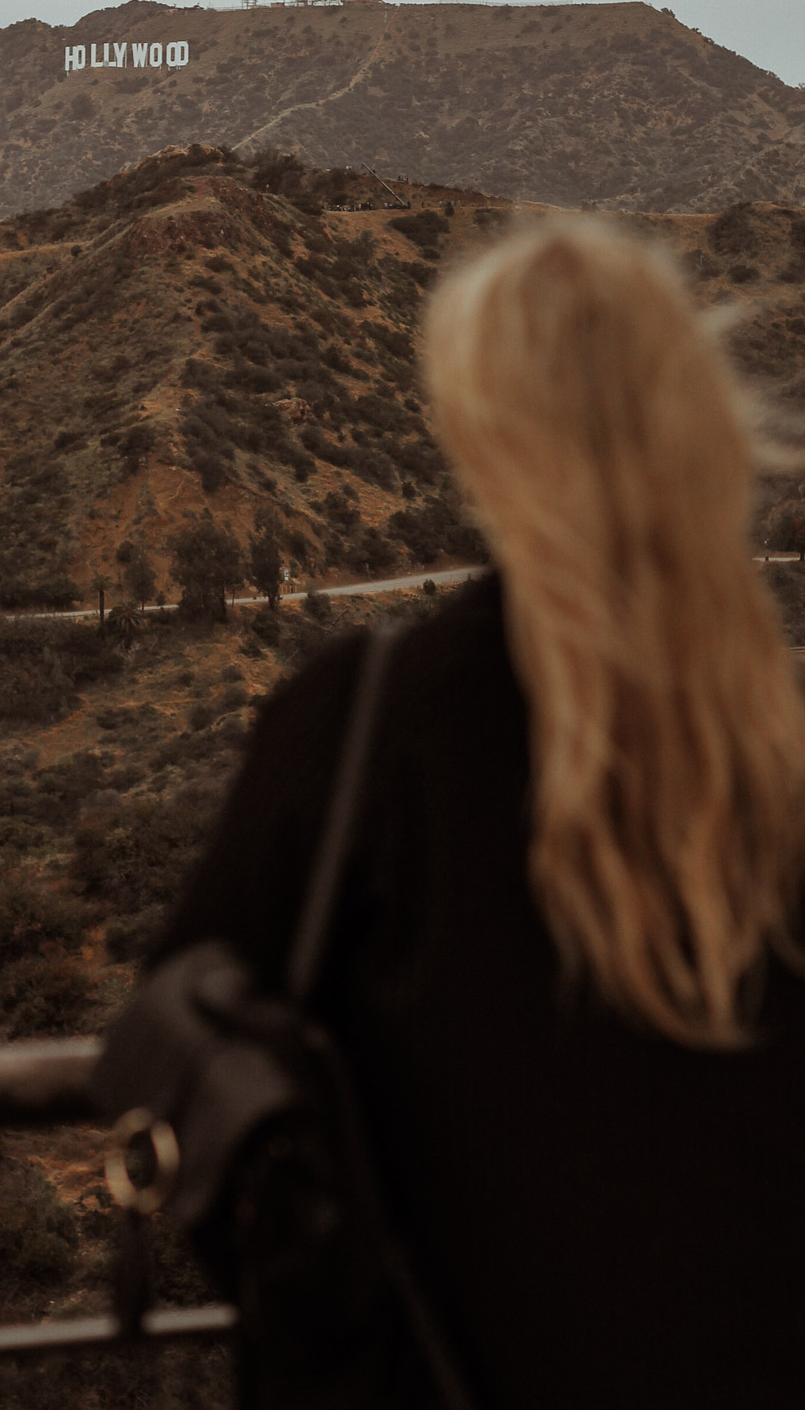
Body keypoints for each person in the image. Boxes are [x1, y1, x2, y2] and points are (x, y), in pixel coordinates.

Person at [151, 220, 805, 1409]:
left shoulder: (364, 730)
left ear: (476, 436)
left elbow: (183, 1050)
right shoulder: (778, 751)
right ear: (699, 422)